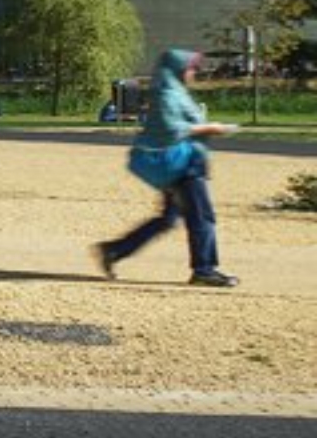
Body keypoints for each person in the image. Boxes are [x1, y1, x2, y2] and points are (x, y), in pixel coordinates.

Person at [95, 49, 239, 287]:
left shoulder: (174, 91)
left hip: (182, 161)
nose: (194, 73)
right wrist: (211, 128)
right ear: (178, 70)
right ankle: (204, 269)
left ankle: (115, 250)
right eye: (191, 68)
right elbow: (172, 129)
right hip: (182, 164)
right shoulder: (168, 94)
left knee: (169, 218)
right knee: (202, 216)